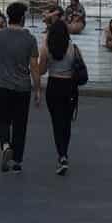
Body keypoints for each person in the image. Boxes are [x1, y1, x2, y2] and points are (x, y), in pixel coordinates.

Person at [0, 1, 38, 173]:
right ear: (23, 18)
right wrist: (38, 89)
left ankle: (5, 145)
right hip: (23, 88)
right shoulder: (30, 39)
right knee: (20, 124)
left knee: (1, 119)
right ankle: (17, 161)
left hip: (3, 85)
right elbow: (34, 67)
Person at [36, 16, 80, 174]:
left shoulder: (47, 48)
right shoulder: (73, 48)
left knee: (56, 122)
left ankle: (61, 155)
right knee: (66, 123)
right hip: (69, 86)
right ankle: (64, 153)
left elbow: (41, 71)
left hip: (53, 86)